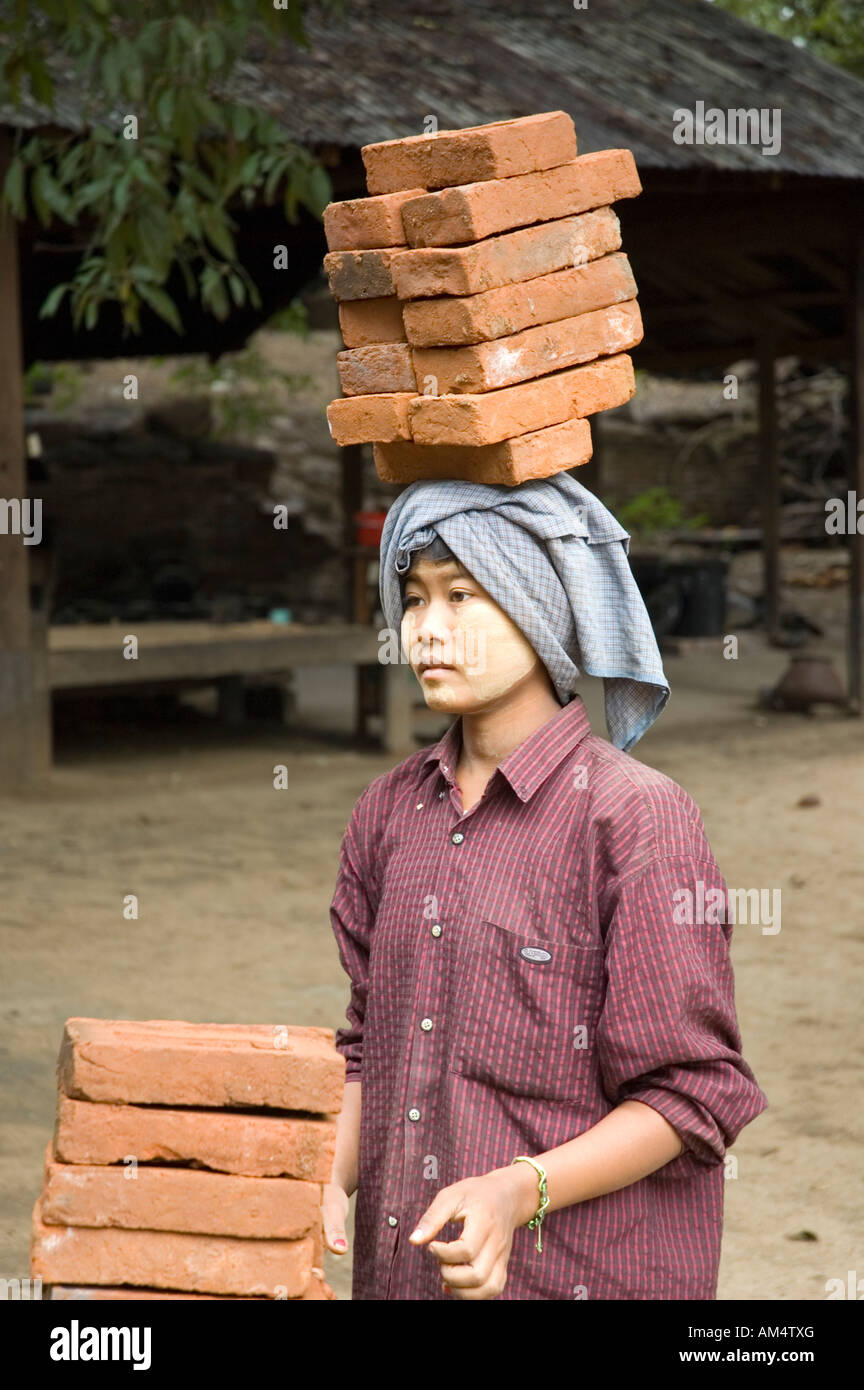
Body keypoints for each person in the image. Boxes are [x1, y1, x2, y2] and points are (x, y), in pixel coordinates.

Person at [323, 473, 767, 1301]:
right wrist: (320, 1174)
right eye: (413, 600)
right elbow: (365, 1051)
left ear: (539, 605)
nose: (427, 630)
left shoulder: (637, 822)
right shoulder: (387, 813)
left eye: (462, 596)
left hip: (574, 1278)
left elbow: (690, 1095)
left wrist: (513, 1191)